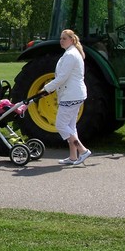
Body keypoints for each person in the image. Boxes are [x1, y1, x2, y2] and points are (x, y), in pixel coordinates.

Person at [41, 29, 91, 166]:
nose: (61, 41)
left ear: (71, 40)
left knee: (61, 125)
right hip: (74, 94)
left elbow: (62, 77)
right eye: (61, 38)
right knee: (70, 126)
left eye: (64, 38)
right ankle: (73, 157)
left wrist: (46, 88)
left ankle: (82, 149)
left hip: (71, 94)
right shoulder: (72, 53)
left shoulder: (70, 55)